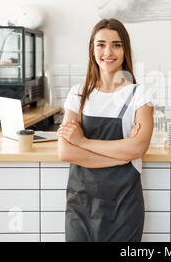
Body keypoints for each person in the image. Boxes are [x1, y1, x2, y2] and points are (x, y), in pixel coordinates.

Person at [57, 18, 154, 242]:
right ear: (92, 49)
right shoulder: (77, 94)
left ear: (125, 50)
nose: (108, 51)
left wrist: (82, 142)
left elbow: (138, 148)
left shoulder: (140, 95)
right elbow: (65, 152)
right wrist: (121, 156)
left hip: (124, 205)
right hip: (81, 205)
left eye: (116, 44)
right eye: (101, 44)